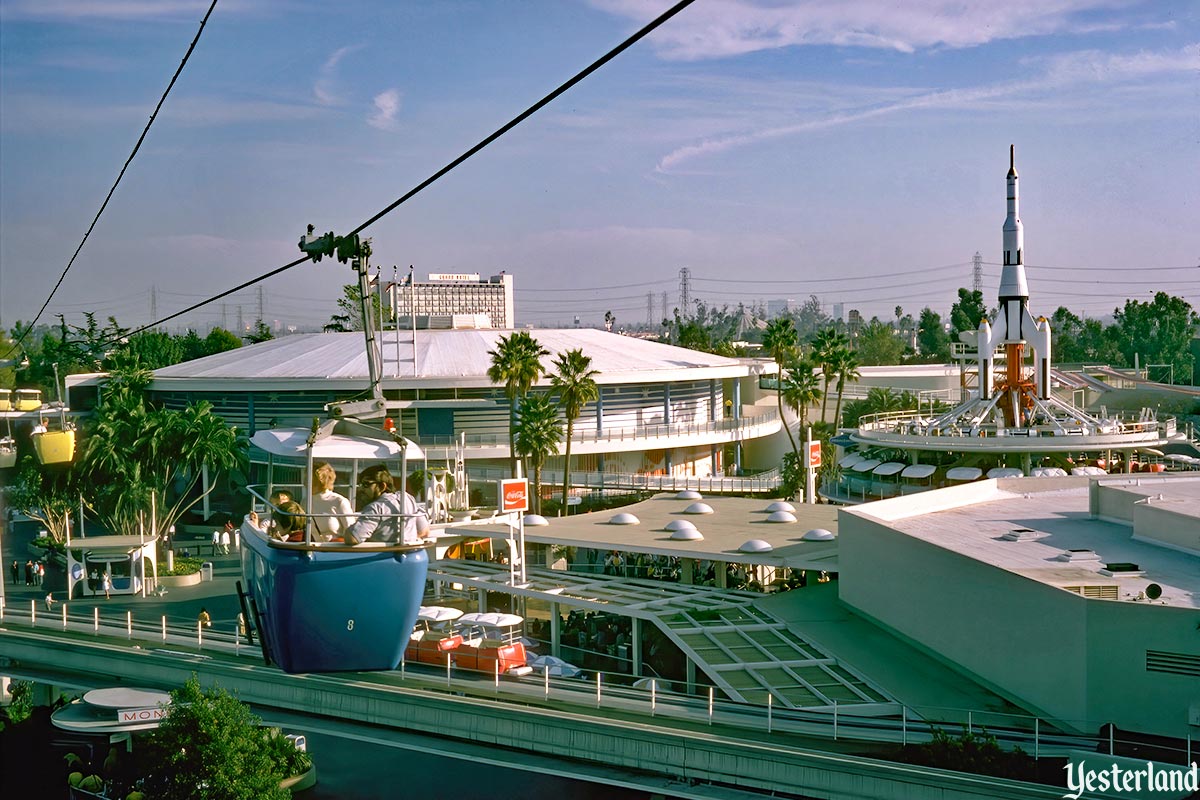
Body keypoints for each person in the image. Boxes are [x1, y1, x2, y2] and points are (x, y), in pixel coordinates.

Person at [344, 464, 430, 546]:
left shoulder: (375, 508)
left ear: (382, 486)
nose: (361, 489)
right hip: (411, 555)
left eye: (366, 484)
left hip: (382, 557)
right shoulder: (406, 498)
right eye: (361, 484)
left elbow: (353, 539)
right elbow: (424, 531)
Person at [309, 461, 356, 541]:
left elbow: (352, 531)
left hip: (335, 549)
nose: (304, 481)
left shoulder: (339, 501)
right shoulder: (305, 501)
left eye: (308, 476)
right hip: (313, 549)